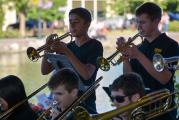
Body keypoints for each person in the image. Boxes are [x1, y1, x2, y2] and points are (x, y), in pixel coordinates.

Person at [116, 2, 178, 120]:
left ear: (156, 21)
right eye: (137, 22)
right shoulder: (139, 47)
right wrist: (125, 58)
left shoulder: (171, 45)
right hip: (140, 110)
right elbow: (129, 78)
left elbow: (164, 78)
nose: (139, 27)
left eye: (143, 22)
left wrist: (138, 55)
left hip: (163, 112)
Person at [41, 7, 103, 113]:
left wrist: (66, 52)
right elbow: (45, 71)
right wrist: (46, 49)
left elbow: (87, 74)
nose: (72, 26)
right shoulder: (68, 47)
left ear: (87, 24)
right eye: (70, 22)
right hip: (65, 101)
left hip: (85, 102)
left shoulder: (95, 45)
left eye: (76, 22)